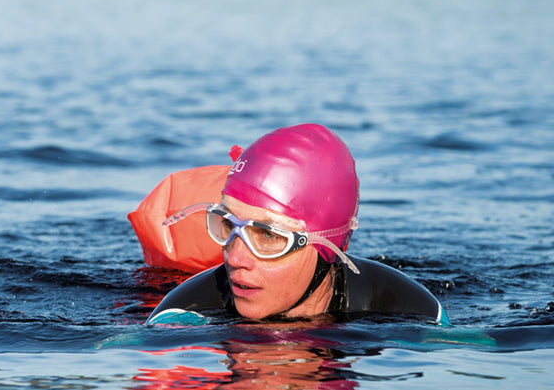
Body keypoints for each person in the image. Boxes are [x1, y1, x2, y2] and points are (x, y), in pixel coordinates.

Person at [145, 124, 448, 326]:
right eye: (227, 224)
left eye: (267, 234)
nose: (235, 258)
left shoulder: (413, 314)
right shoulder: (183, 313)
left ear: (328, 247)